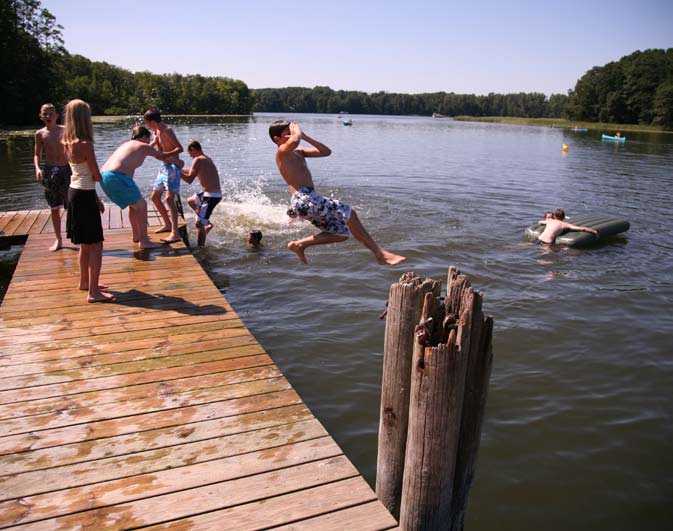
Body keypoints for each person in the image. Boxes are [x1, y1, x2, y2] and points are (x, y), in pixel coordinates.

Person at [269, 120, 406, 265]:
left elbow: (326, 152)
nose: (292, 135)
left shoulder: (299, 152)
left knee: (341, 234)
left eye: (292, 132)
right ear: (276, 139)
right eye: (287, 134)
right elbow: (295, 140)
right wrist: (297, 133)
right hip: (303, 198)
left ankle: (299, 244)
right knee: (350, 213)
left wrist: (306, 137)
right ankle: (380, 254)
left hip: (308, 199)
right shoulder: (281, 152)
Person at [61, 99, 114, 303]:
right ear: (84, 119)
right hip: (84, 195)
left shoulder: (66, 142)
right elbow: (95, 176)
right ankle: (94, 292)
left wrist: (97, 197)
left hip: (75, 193)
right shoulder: (86, 144)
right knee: (96, 244)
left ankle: (85, 282)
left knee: (85, 243)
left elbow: (82, 176)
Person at [100, 126, 170, 249]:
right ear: (144, 137)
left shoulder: (128, 144)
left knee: (134, 207)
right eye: (148, 139)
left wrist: (153, 142)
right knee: (142, 205)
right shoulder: (142, 146)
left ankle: (136, 235)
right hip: (117, 177)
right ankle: (144, 241)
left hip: (105, 177)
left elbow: (147, 149)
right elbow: (161, 155)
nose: (149, 142)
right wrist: (178, 150)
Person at [34, 103, 71, 251]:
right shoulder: (40, 134)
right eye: (45, 114)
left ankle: (75, 236)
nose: (48, 116)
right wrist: (37, 168)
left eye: (51, 113)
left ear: (56, 115)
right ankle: (58, 239)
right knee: (54, 208)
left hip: (66, 170)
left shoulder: (65, 131)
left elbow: (72, 150)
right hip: (49, 172)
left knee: (71, 206)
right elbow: (37, 154)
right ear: (41, 116)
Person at [144, 108, 184, 244]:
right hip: (163, 168)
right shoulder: (156, 131)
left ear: (153, 121)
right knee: (155, 197)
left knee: (169, 199)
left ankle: (175, 233)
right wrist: (143, 149)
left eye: (148, 123)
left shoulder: (167, 130)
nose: (147, 126)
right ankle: (167, 224)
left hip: (172, 167)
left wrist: (164, 156)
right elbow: (154, 144)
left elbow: (180, 148)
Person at [180, 140, 223, 247]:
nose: (190, 157)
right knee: (191, 201)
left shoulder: (198, 159)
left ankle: (201, 249)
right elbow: (192, 170)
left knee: (198, 224)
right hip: (210, 194)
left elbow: (189, 179)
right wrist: (179, 169)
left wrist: (177, 172)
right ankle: (206, 222)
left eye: (190, 154)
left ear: (193, 149)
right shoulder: (206, 158)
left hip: (211, 196)